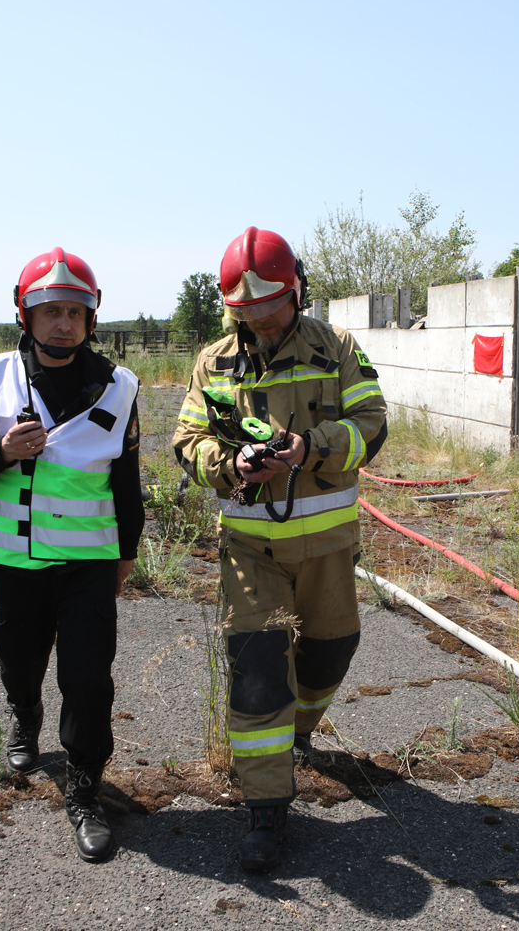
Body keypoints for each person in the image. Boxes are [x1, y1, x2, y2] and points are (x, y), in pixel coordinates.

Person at [172, 226, 388, 873]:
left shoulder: (335, 347)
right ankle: (265, 806)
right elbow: (188, 440)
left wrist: (311, 448)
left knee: (331, 651)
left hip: (328, 547)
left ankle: (298, 733)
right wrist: (230, 464)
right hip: (250, 548)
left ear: (296, 292)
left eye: (270, 306)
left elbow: (372, 426)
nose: (261, 320)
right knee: (260, 670)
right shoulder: (213, 363)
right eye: (246, 311)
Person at [0, 248, 142, 863]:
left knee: (88, 679)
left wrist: (126, 554)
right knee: (19, 660)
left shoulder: (120, 387)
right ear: (25, 314)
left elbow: (126, 483)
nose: (63, 323)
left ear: (91, 319)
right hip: (13, 561)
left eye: (75, 312)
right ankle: (25, 715)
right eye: (50, 310)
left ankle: (84, 790)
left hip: (87, 564)